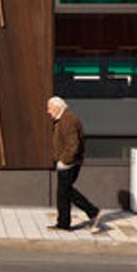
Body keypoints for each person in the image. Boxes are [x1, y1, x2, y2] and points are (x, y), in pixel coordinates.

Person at [46, 96, 105, 233]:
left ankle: (93, 212)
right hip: (66, 162)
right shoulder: (62, 118)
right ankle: (63, 224)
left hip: (70, 163)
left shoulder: (69, 120)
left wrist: (64, 161)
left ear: (57, 107)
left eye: (49, 108)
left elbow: (74, 145)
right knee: (63, 193)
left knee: (66, 191)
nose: (48, 111)